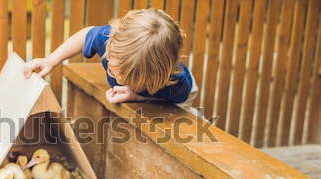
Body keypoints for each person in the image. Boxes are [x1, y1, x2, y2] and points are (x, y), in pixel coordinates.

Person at [23, 8, 198, 112]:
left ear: (151, 79)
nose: (116, 77)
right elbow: (86, 34)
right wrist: (51, 59)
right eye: (112, 69)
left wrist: (138, 96)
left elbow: (176, 99)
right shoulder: (106, 39)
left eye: (128, 78)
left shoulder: (175, 84)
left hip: (175, 98)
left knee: (178, 117)